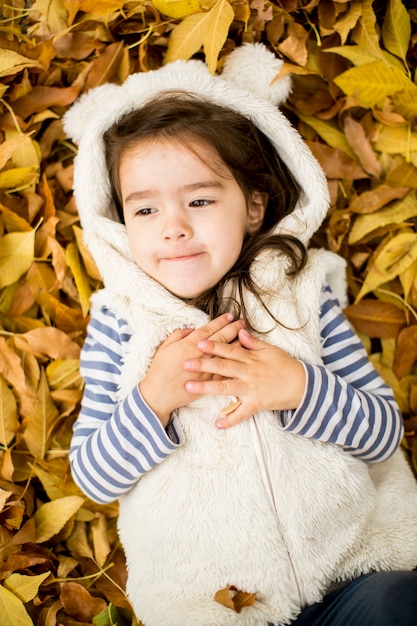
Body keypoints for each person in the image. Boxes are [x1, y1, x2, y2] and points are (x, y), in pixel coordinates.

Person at [64, 43, 417, 626]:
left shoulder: (302, 297)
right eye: (145, 210)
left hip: (351, 576)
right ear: (121, 224)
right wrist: (155, 398)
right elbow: (94, 477)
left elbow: (381, 435)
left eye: (199, 199)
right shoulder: (120, 327)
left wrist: (301, 387)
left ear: (253, 206)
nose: (174, 228)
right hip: (213, 607)